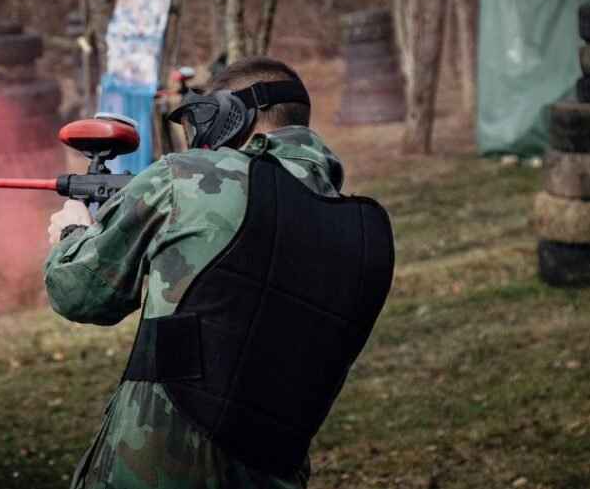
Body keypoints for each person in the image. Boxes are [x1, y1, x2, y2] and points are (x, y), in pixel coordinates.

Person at [44, 56, 395, 488]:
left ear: (232, 114)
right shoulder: (363, 231)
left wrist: (73, 231)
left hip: (155, 470)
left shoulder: (185, 178)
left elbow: (79, 291)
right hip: (275, 471)